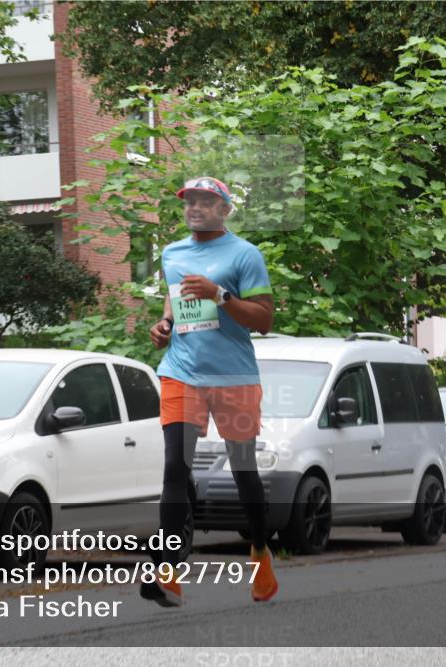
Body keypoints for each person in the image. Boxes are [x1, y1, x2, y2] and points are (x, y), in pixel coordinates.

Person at [140, 176, 279, 607]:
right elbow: (175, 302)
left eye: (206, 201)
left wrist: (219, 294)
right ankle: (168, 570)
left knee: (243, 473)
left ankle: (259, 551)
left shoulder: (244, 254)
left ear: (224, 209)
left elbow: (264, 320)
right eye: (190, 201)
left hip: (234, 377)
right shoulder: (172, 253)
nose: (195, 207)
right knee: (174, 469)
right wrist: (165, 326)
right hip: (182, 373)